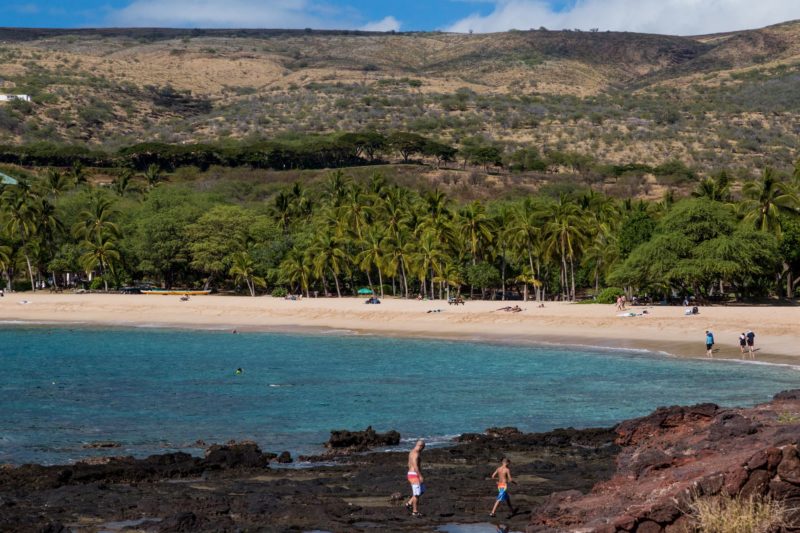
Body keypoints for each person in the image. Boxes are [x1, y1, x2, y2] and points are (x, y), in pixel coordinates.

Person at [405, 439, 425, 517]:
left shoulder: (411, 452)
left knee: (422, 490)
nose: (422, 450)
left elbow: (408, 463)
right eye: (423, 448)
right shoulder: (416, 454)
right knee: (416, 494)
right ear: (421, 446)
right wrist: (420, 476)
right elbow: (415, 466)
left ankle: (409, 503)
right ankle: (415, 512)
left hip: (412, 473)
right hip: (414, 475)